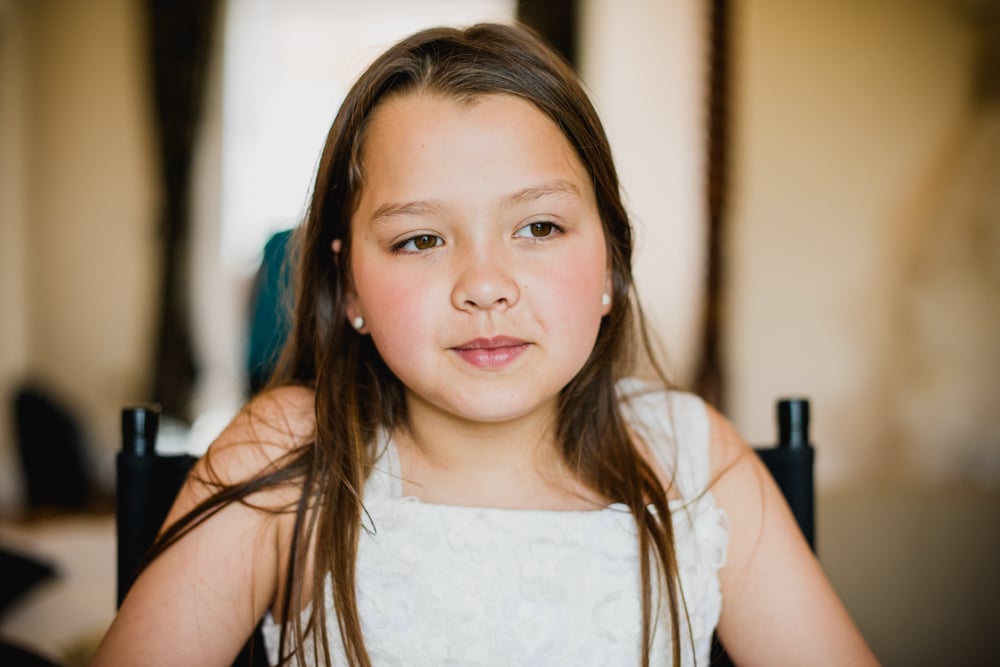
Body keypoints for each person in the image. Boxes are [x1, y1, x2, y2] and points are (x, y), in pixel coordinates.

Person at [93, 23, 877, 667]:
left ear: (608, 260)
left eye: (538, 227)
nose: (485, 283)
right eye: (421, 238)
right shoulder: (289, 457)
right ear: (352, 287)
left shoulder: (691, 462)